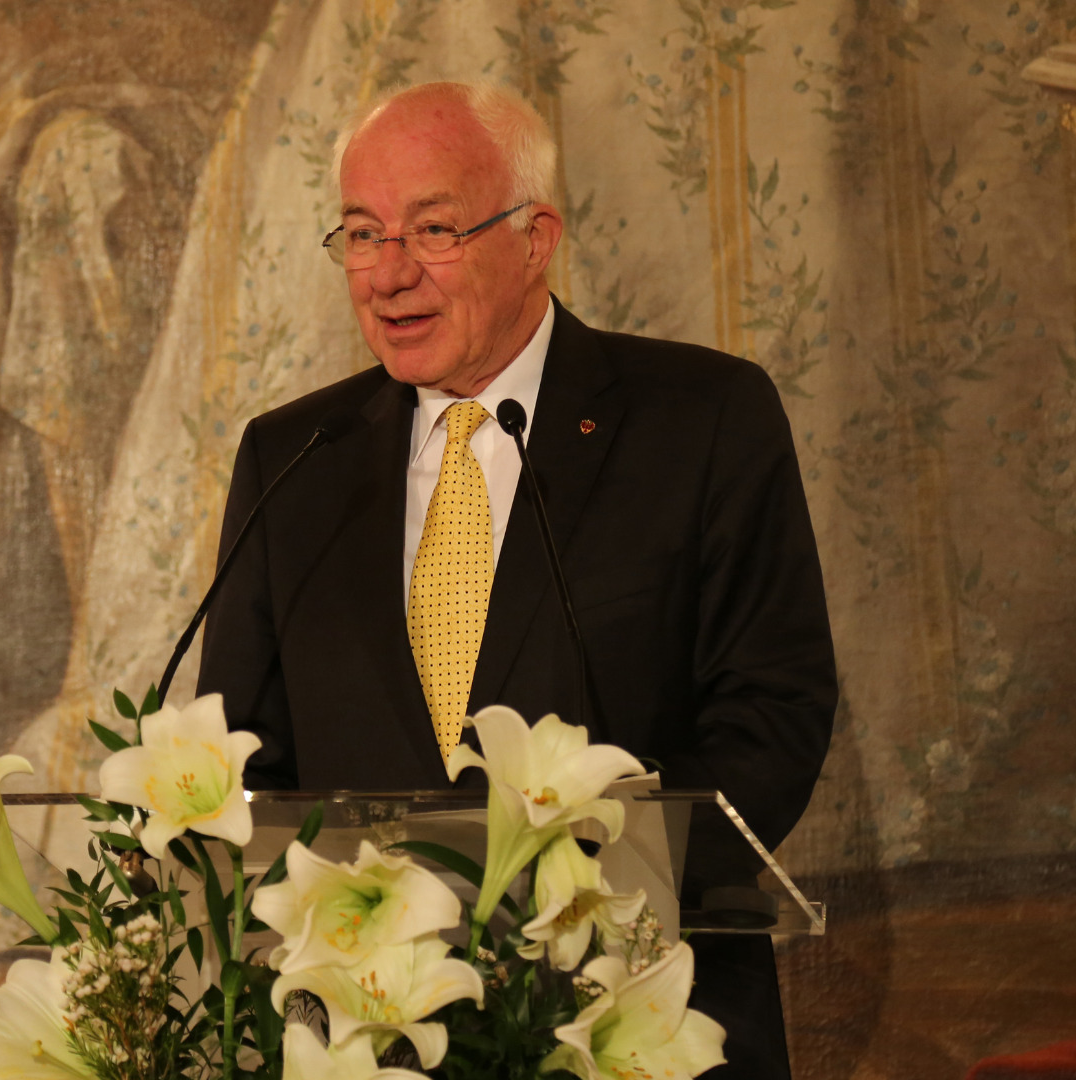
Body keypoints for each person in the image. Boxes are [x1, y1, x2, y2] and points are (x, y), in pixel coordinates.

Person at [197, 81, 837, 1080]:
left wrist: (572, 902)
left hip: (635, 1025)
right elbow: (243, 758)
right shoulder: (294, 458)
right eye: (363, 234)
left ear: (534, 237)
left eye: (433, 230)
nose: (389, 273)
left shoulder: (702, 421)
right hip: (366, 1046)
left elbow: (773, 719)